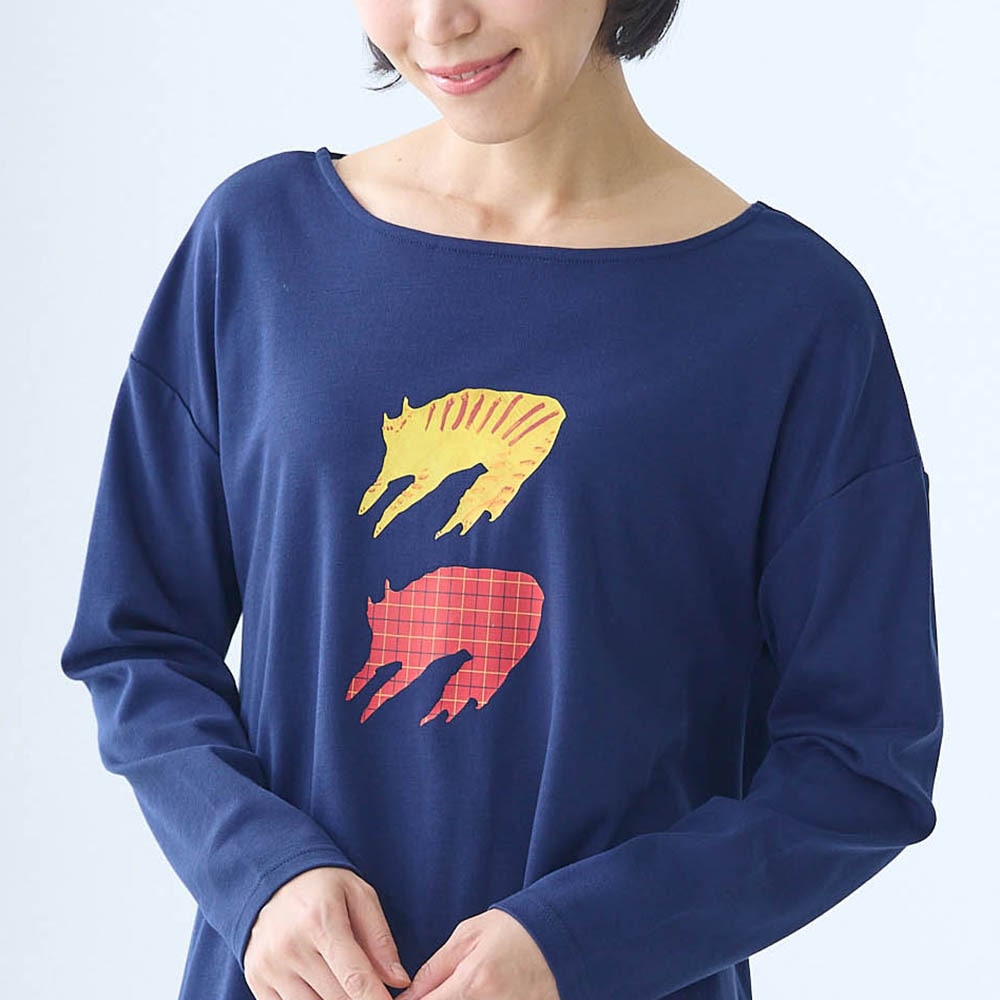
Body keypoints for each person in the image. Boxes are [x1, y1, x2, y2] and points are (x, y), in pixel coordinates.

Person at [60, 2, 944, 999]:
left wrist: (579, 942)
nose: (439, 21)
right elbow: (137, 640)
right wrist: (258, 872)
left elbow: (861, 760)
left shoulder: (791, 316)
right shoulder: (259, 245)